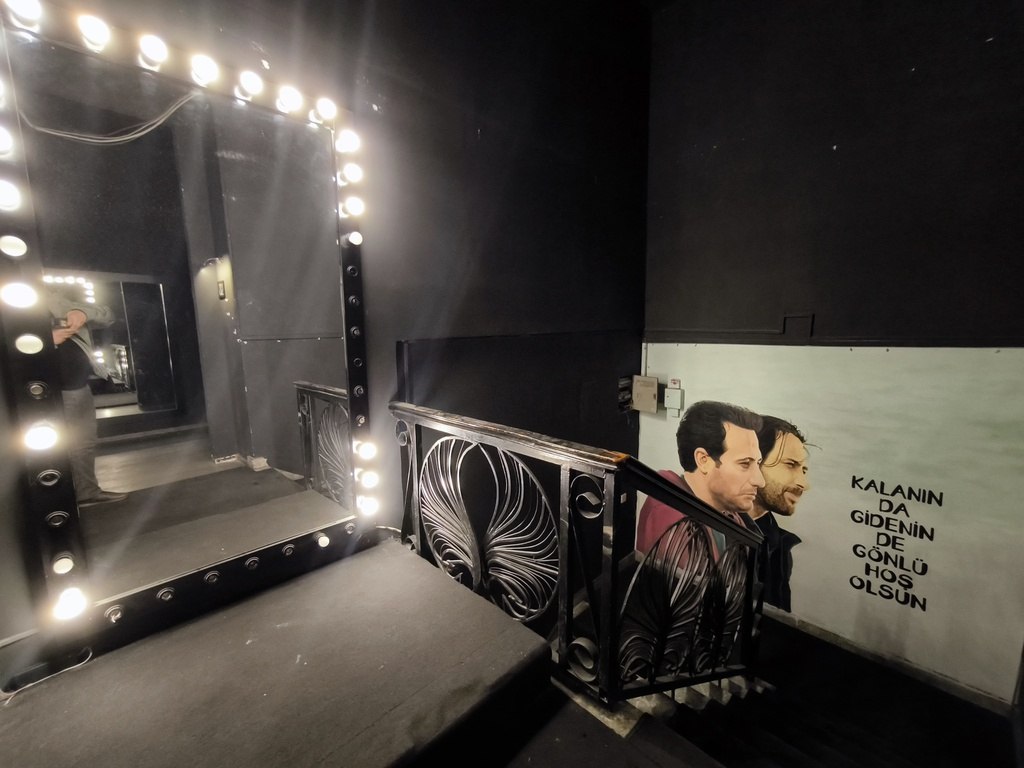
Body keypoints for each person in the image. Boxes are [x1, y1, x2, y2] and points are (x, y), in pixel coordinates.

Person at [636, 400, 764, 560]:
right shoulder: (670, 520)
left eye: (758, 463)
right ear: (703, 460)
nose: (760, 481)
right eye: (745, 463)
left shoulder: (725, 511)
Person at [48, 288, 128, 507]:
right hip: (46, 392)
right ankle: (56, 502)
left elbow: (107, 315)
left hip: (78, 386)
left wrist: (81, 312)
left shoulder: (55, 301)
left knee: (84, 442)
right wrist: (46, 340)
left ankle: (86, 492)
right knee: (52, 447)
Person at [750, 415, 810, 611]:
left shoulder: (780, 548)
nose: (803, 484)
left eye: (804, 470)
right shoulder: (705, 523)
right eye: (790, 465)